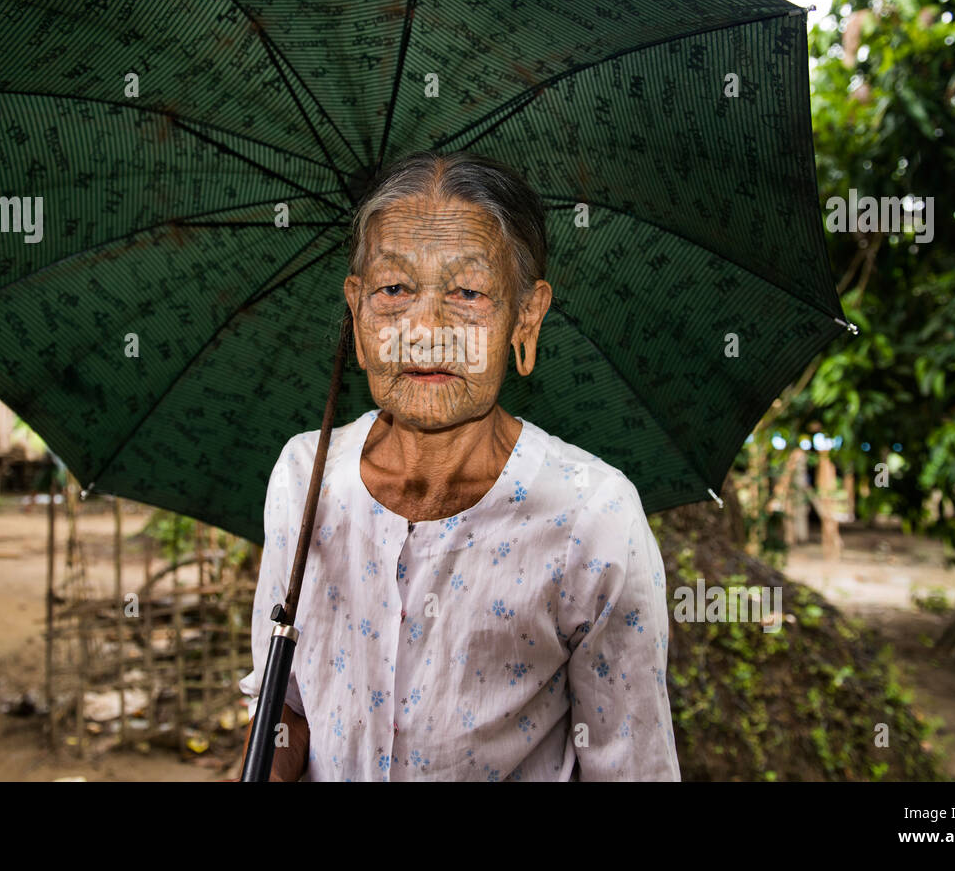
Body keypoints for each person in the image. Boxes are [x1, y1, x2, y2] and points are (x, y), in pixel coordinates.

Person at [238, 150, 680, 781]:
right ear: (357, 316)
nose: (425, 329)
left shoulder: (593, 520)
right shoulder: (303, 479)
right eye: (393, 290)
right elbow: (287, 707)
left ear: (524, 317)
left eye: (468, 292)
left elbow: (629, 763)